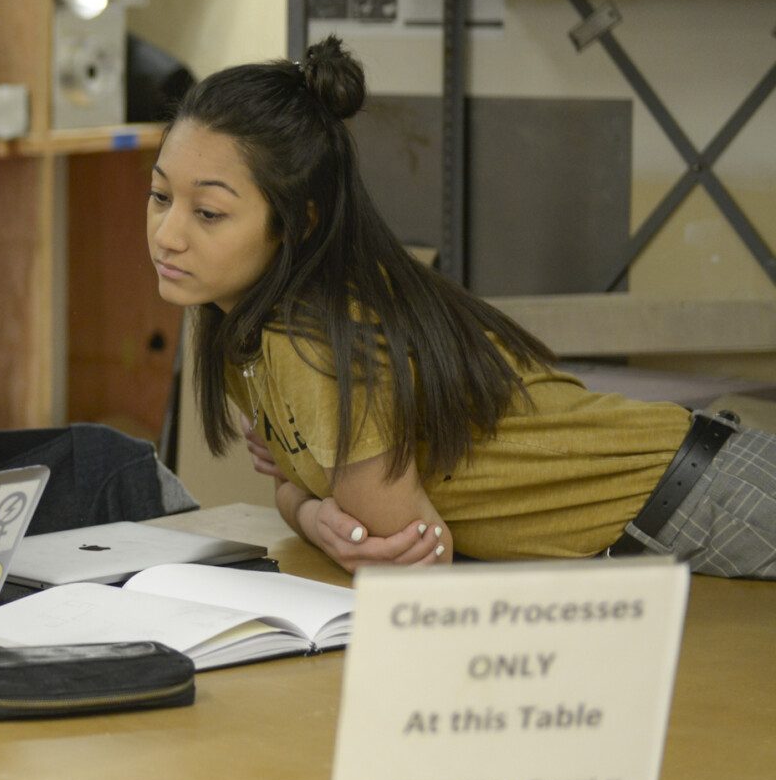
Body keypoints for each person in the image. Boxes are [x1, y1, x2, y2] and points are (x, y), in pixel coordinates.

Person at [148, 36, 775, 577]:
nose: (168, 234)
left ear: (299, 223)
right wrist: (314, 511)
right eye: (159, 195)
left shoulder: (312, 339)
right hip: (674, 515)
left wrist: (321, 510)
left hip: (707, 500)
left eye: (208, 213)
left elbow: (408, 550)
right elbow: (296, 481)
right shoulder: (242, 329)